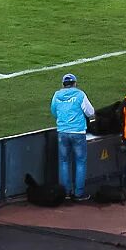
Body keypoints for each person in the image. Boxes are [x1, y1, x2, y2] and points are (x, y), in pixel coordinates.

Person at [51, 73, 96, 201]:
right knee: (80, 162)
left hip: (62, 132)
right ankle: (78, 193)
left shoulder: (56, 95)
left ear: (63, 84)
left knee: (64, 162)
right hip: (78, 132)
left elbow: (54, 111)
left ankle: (65, 192)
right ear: (75, 83)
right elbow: (90, 112)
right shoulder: (80, 94)